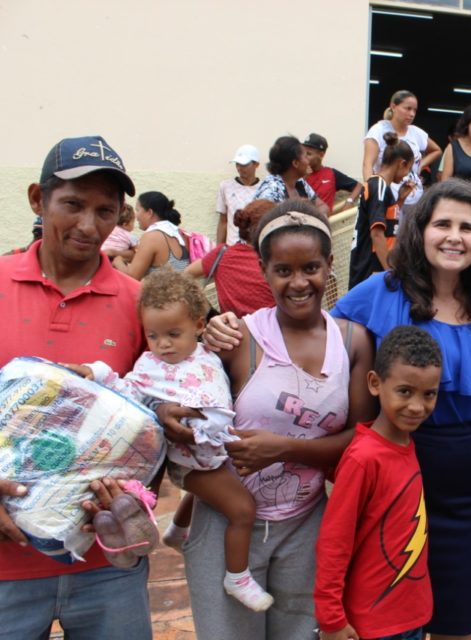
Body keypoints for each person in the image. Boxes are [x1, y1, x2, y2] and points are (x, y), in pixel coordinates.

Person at [331, 179, 471, 640]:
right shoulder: (381, 291)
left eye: (467, 227)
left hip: (468, 490)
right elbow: (316, 336)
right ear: (420, 231)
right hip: (393, 480)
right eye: (443, 224)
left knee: (455, 622)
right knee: (387, 619)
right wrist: (237, 326)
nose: (455, 236)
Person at [189, 201, 376, 639]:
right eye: (282, 270)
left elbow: (361, 440)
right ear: (263, 269)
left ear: (330, 265)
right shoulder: (239, 338)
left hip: (307, 525)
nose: (298, 283)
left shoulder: (352, 342)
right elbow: (192, 414)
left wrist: (287, 448)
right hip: (226, 526)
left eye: (310, 267)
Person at [0, 135, 157, 639]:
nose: (90, 226)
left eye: (105, 211)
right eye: (73, 204)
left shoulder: (141, 304)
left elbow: (153, 421)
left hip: (106, 568)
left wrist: (133, 494)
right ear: (36, 200)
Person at [66, 269, 271, 611]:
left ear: (199, 325)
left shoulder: (208, 354)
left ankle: (176, 530)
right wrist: (96, 372)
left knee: (216, 487)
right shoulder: (149, 365)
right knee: (243, 509)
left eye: (174, 334)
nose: (163, 345)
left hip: (211, 453)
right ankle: (237, 577)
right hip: (188, 459)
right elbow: (125, 388)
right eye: (153, 335)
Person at [314, 325, 442, 640]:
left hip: (410, 616)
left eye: (429, 394)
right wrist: (331, 620)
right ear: (375, 383)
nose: (417, 407)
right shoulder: (363, 458)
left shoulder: (407, 444)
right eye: (404, 391)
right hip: (371, 624)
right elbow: (334, 543)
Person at [184, 199, 276, 317]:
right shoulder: (275, 260)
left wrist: (208, 310)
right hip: (273, 331)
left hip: (231, 330)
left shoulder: (221, 254)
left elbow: (185, 275)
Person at [348, 132, 415, 289]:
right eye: (409, 169)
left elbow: (388, 222)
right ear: (401, 163)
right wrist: (389, 271)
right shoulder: (378, 186)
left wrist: (400, 200)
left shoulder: (384, 188)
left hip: (374, 268)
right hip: (369, 268)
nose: (407, 176)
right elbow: (377, 233)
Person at [363, 90, 442, 215]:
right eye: (408, 109)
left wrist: (420, 165)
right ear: (393, 106)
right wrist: (371, 193)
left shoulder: (416, 132)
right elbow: (367, 164)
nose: (411, 114)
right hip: (388, 197)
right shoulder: (378, 130)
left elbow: (436, 150)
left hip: (413, 199)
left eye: (414, 110)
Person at [113, 191, 189, 279]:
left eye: (138, 210)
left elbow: (132, 278)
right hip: (180, 291)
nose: (136, 216)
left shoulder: (151, 237)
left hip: (159, 292)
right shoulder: (179, 234)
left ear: (149, 212)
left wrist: (117, 260)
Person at [302, 134, 363, 213]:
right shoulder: (298, 174)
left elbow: (359, 186)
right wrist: (303, 177)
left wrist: (350, 201)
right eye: (303, 153)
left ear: (321, 155)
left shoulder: (331, 173)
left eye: (309, 154)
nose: (304, 157)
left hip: (321, 222)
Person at [216, 144, 261, 245]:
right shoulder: (226, 186)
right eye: (237, 164)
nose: (240, 168)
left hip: (255, 249)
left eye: (244, 164)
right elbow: (223, 221)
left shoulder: (265, 189)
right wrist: (218, 250)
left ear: (256, 164)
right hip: (232, 247)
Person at [253, 136, 317, 204]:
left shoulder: (299, 182)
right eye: (306, 156)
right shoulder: (270, 192)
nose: (309, 160)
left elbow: (321, 205)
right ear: (295, 163)